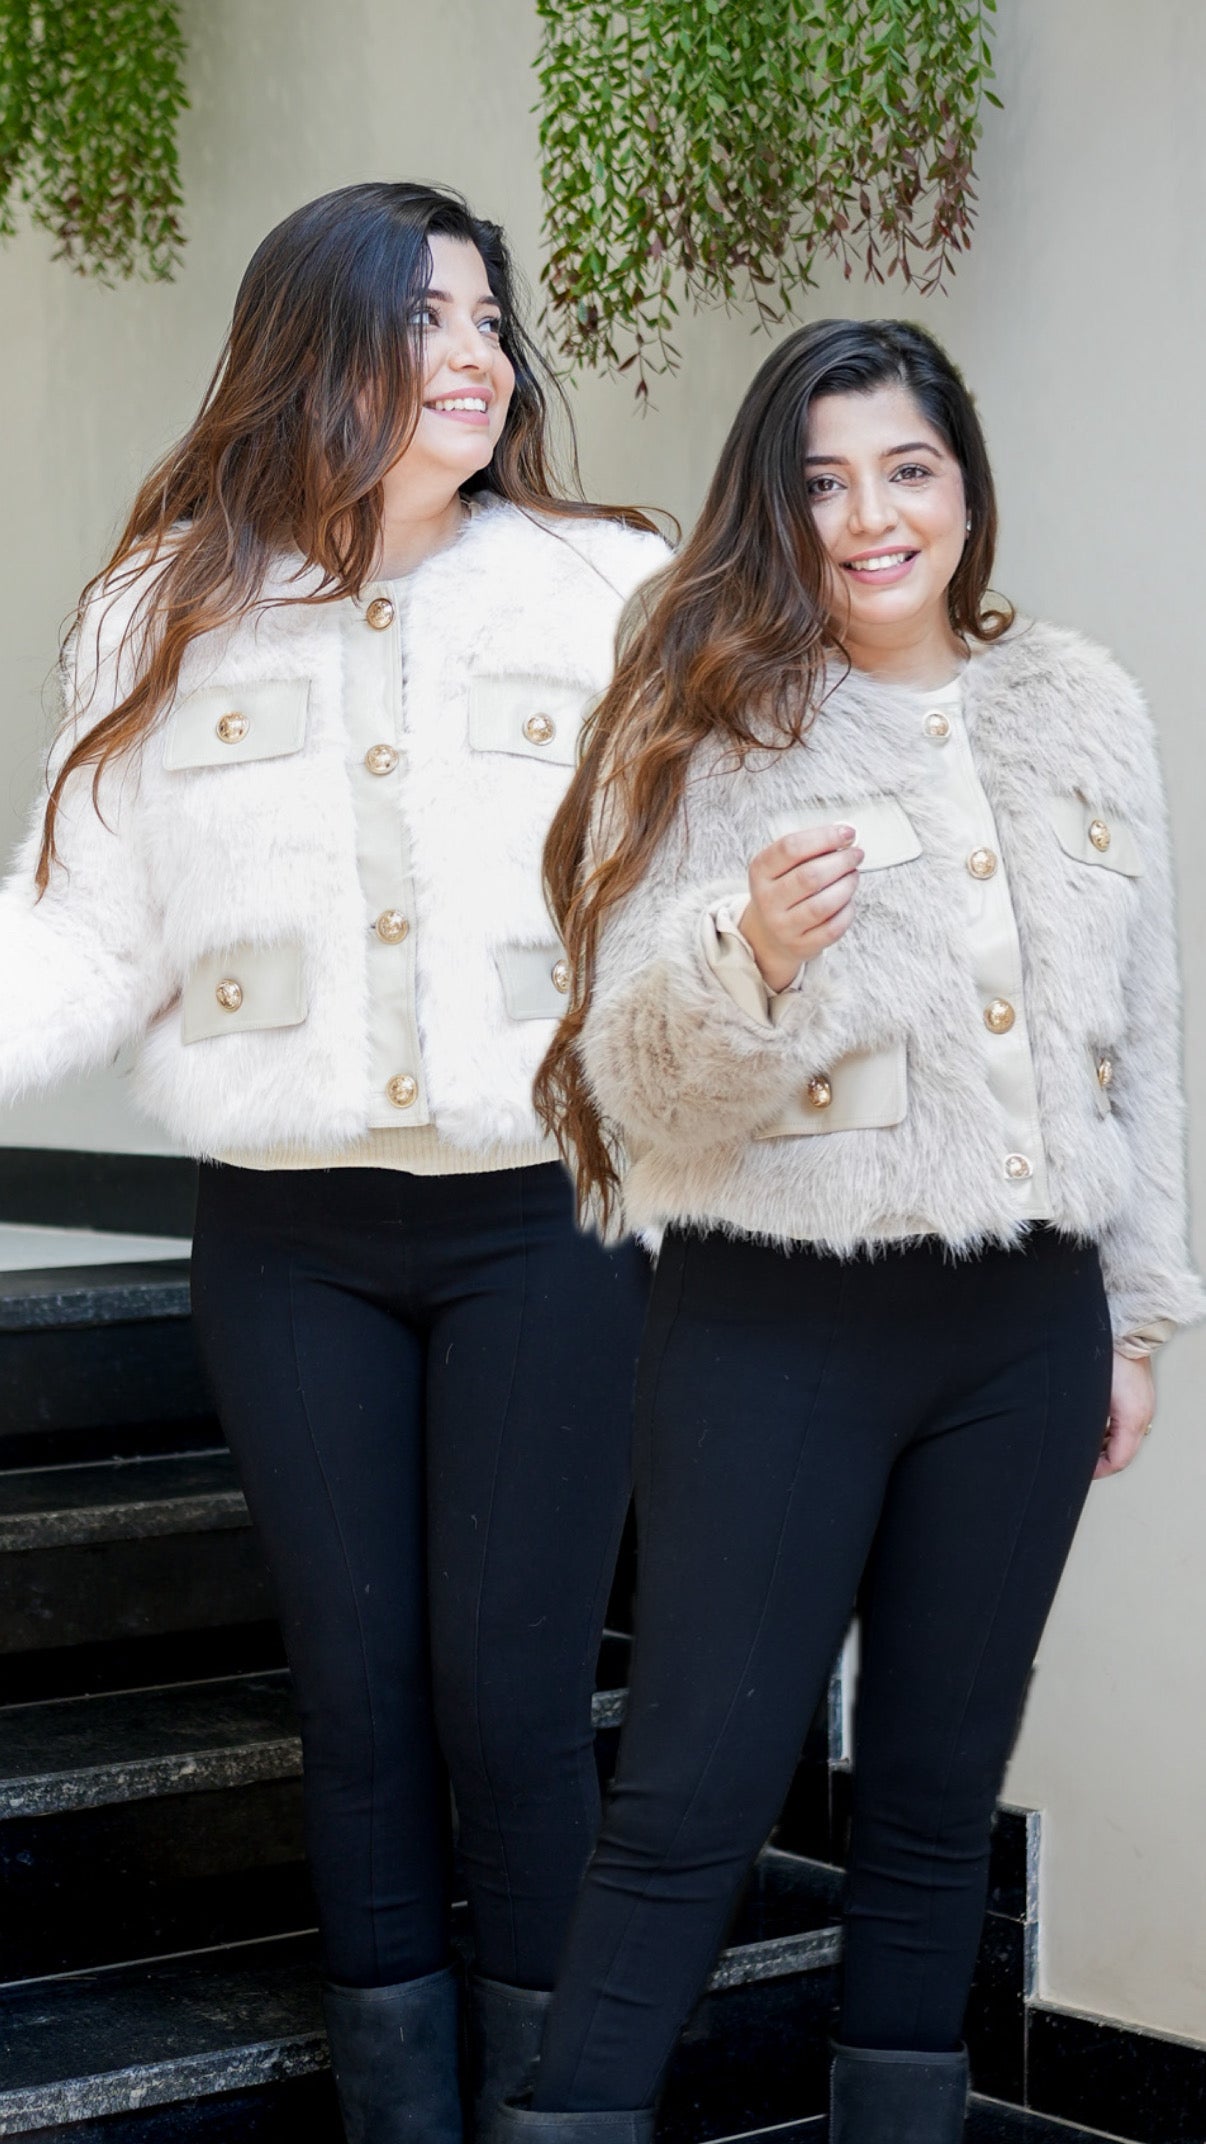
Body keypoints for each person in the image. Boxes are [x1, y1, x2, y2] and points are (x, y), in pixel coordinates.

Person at [0, 182, 668, 2143]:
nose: (475, 355)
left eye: (488, 319)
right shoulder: (164, 603)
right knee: (358, 1697)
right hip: (287, 1242)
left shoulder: (606, 588)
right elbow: (78, 928)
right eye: (422, 317)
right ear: (317, 349)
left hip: (541, 1227)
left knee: (513, 1701)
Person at [514, 318, 1204, 2144]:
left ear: (964, 485)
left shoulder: (1081, 707)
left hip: (1023, 1333)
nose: (868, 518)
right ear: (775, 506)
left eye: (906, 470)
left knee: (933, 1796)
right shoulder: (702, 715)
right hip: (772, 1325)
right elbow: (629, 1084)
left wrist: (1133, 1319)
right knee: (690, 1794)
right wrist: (745, 954)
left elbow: (1140, 1042)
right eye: (820, 484)